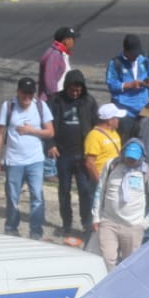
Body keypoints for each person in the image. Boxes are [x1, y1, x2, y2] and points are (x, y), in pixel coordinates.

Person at [0, 77, 53, 240]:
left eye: (30, 93)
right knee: (12, 198)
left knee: (37, 197)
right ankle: (11, 229)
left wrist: (31, 131)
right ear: (18, 91)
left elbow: (50, 132)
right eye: (24, 93)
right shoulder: (8, 106)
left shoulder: (41, 106)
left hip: (36, 161)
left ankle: (36, 232)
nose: (27, 96)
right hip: (14, 161)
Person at [93, 138, 149, 270]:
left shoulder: (147, 172)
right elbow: (100, 190)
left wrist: (145, 224)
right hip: (109, 222)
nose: (130, 161)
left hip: (133, 226)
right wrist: (96, 217)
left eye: (134, 158)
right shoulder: (111, 166)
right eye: (128, 157)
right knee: (106, 260)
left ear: (141, 157)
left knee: (128, 266)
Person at [48, 69, 98, 238]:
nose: (75, 93)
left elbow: (96, 126)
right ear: (66, 87)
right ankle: (66, 224)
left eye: (78, 90)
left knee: (85, 190)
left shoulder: (89, 102)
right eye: (72, 90)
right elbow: (47, 124)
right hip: (63, 154)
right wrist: (51, 144)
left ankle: (86, 223)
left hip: (83, 155)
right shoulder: (56, 101)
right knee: (64, 190)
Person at [107, 34, 149, 140]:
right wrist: (129, 85)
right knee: (125, 141)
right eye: (133, 54)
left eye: (137, 53)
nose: (135, 56)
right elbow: (111, 84)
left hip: (143, 109)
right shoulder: (116, 63)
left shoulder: (144, 60)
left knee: (145, 141)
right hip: (126, 111)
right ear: (125, 51)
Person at [85, 103, 124, 183]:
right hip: (102, 178)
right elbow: (90, 162)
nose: (118, 120)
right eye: (116, 118)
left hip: (113, 177)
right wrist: (100, 182)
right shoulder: (94, 135)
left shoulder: (114, 133)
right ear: (109, 120)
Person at [39, 25, 76, 102]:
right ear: (65, 41)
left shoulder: (62, 54)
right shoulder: (55, 55)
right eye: (73, 39)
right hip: (52, 101)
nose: (74, 42)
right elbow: (50, 82)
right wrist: (56, 101)